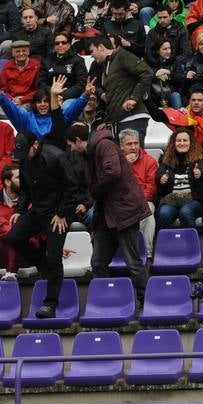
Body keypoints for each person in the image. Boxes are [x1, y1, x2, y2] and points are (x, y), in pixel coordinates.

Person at [8, 131, 87, 321]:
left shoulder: (55, 157)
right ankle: (42, 266)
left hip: (58, 213)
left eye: (26, 152)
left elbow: (72, 187)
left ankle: (50, 303)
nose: (23, 156)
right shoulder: (25, 159)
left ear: (35, 145)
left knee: (54, 257)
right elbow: (26, 189)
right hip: (38, 209)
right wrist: (19, 210)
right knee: (13, 238)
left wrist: (61, 213)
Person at [74, 123, 150, 304]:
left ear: (77, 141)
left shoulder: (104, 145)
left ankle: (147, 302)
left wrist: (94, 192)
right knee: (98, 263)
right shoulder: (89, 154)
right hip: (106, 213)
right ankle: (104, 303)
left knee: (133, 262)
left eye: (71, 145)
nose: (71, 149)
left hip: (124, 212)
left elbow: (113, 172)